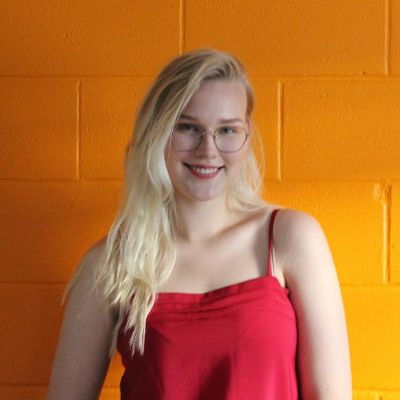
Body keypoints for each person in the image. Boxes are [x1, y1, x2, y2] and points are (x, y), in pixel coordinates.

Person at [47, 48, 352, 399]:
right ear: (157, 133)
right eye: (188, 128)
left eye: (227, 129)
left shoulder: (290, 238)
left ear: (247, 136)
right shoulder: (110, 263)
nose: (208, 150)